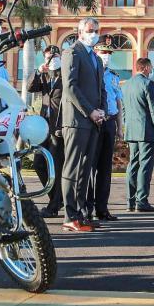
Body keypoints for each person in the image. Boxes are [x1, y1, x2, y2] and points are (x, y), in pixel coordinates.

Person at [60, 18, 107, 233]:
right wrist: (90, 111)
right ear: (80, 32)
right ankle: (70, 216)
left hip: (94, 121)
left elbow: (101, 89)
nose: (94, 34)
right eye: (90, 31)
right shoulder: (72, 52)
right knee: (73, 168)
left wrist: (101, 111)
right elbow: (70, 87)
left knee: (85, 171)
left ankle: (82, 214)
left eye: (96, 31)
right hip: (77, 121)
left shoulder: (95, 59)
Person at [87, 35, 123, 223]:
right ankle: (87, 208)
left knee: (105, 169)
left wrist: (120, 127)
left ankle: (102, 208)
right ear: (95, 52)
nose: (107, 55)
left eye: (109, 53)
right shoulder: (91, 72)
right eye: (103, 52)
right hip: (94, 123)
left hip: (109, 123)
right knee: (90, 167)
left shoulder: (113, 76)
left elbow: (118, 101)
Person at [27, 45, 64, 218]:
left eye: (54, 57)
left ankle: (54, 206)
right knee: (38, 163)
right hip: (43, 126)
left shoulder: (66, 75)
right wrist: (38, 71)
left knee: (56, 166)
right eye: (48, 57)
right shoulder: (43, 75)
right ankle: (55, 199)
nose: (51, 60)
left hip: (59, 126)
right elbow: (30, 88)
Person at [123, 57, 154, 213]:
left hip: (131, 130)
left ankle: (130, 202)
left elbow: (124, 110)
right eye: (150, 67)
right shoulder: (148, 84)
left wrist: (126, 126)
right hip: (146, 131)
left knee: (133, 165)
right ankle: (142, 201)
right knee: (145, 166)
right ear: (145, 68)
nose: (152, 70)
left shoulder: (126, 85)